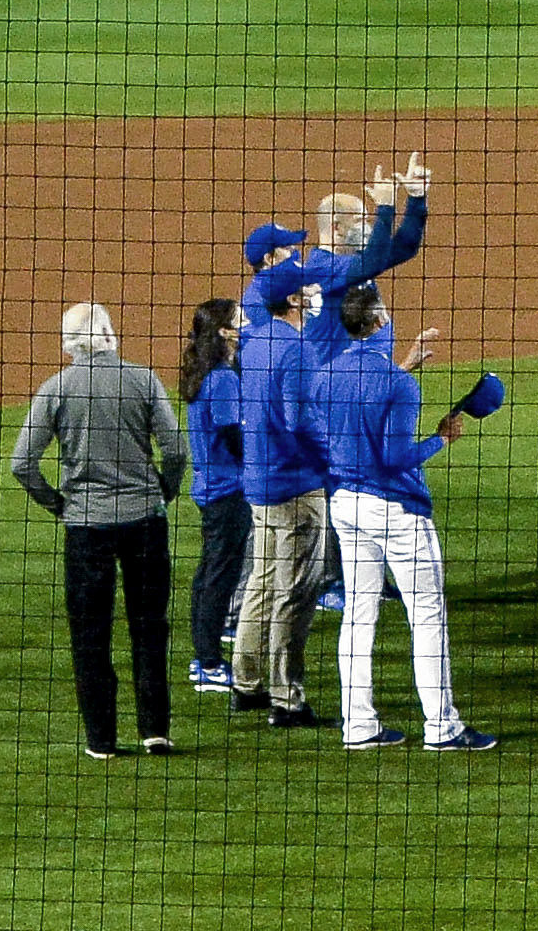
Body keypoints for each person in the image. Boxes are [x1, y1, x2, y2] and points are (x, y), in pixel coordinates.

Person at [307, 280, 502, 752]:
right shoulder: (398, 385)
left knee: (358, 613)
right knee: (427, 617)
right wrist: (442, 439)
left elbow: (352, 415)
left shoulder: (325, 376)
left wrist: (402, 367)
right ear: (376, 321)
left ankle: (358, 725)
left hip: (346, 506)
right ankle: (442, 727)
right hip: (396, 511)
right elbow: (395, 458)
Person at [9, 300, 190, 759]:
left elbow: (22, 464)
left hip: (85, 527)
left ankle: (101, 740)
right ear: (109, 332)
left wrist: (60, 505)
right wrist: (160, 493)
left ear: (68, 342)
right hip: (145, 521)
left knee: (91, 634)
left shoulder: (57, 389)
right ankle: (156, 732)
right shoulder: (143, 379)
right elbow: (176, 452)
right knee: (150, 627)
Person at [225, 258, 334, 727]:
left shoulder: (255, 343)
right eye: (306, 289)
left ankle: (245, 684)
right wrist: (333, 457)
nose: (313, 294)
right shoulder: (297, 349)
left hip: (260, 481)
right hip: (296, 484)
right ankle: (286, 698)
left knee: (262, 582)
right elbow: (299, 420)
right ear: (292, 300)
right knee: (296, 589)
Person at [174, 294, 249, 695]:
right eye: (240, 319)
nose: (246, 322)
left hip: (213, 488)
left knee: (211, 575)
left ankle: (205, 655)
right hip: (227, 491)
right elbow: (232, 434)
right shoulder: (221, 378)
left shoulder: (213, 372)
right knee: (218, 577)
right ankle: (207, 663)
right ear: (224, 331)